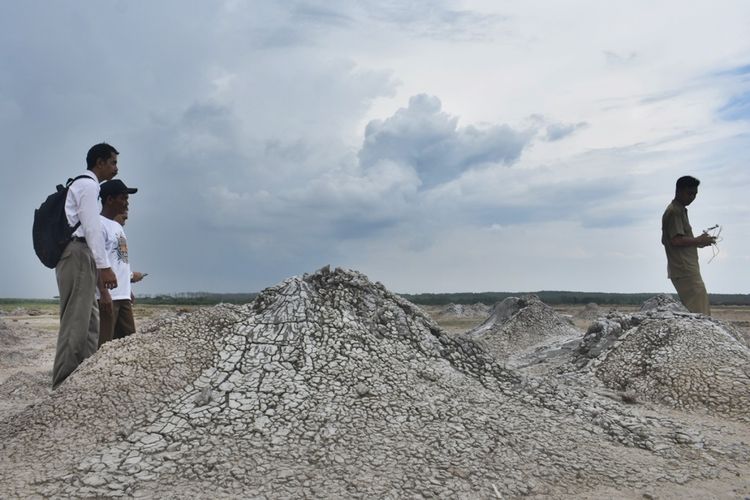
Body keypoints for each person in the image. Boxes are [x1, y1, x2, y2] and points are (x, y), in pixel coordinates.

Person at [53, 143, 119, 388]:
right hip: (78, 252)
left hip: (82, 254)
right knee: (75, 323)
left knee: (91, 322)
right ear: (99, 162)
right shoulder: (88, 186)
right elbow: (91, 228)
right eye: (113, 162)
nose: (116, 168)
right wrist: (104, 267)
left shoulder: (85, 185)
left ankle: (83, 382)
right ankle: (62, 385)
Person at [97, 181, 145, 347]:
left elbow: (120, 262)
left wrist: (128, 290)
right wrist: (103, 293)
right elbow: (96, 261)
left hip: (122, 296)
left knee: (128, 345)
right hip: (109, 297)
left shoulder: (117, 227)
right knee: (103, 346)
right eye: (123, 198)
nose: (127, 202)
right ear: (110, 200)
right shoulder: (99, 224)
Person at [661, 175, 716, 315]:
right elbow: (675, 240)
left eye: (695, 194)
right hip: (684, 268)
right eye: (689, 193)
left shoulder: (680, 210)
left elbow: (671, 239)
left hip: (685, 268)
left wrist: (699, 242)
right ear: (678, 191)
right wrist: (698, 240)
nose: (692, 197)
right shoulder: (674, 211)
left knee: (699, 305)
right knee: (700, 312)